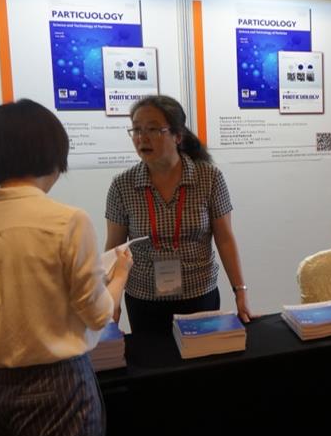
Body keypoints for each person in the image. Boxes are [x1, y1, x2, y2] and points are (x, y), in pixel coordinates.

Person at [0, 99, 132, 436]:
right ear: (52, 155)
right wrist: (119, 274)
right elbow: (98, 315)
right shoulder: (67, 221)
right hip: (58, 387)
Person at [105, 95, 254, 334]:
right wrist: (111, 301)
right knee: (152, 358)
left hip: (199, 294)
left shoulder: (209, 178)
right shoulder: (122, 185)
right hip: (144, 298)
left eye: (153, 129)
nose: (142, 137)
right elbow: (115, 248)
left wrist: (241, 291)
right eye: (137, 129)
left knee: (200, 356)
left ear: (177, 135)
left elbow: (225, 239)